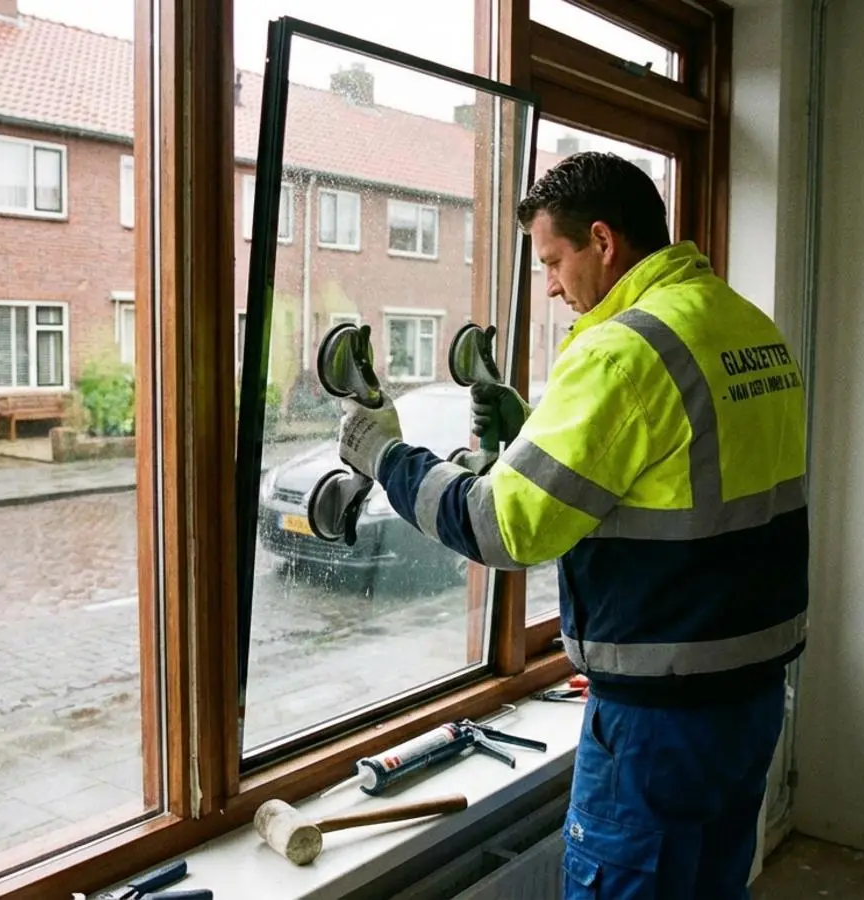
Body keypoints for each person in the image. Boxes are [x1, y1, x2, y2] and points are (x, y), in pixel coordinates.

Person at [334, 150, 809, 899]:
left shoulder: (623, 349)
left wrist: (386, 455)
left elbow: (502, 528)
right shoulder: (747, 326)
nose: (551, 287)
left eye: (554, 261)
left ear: (603, 241)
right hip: (748, 703)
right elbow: (684, 473)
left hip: (657, 724)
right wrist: (538, 437)